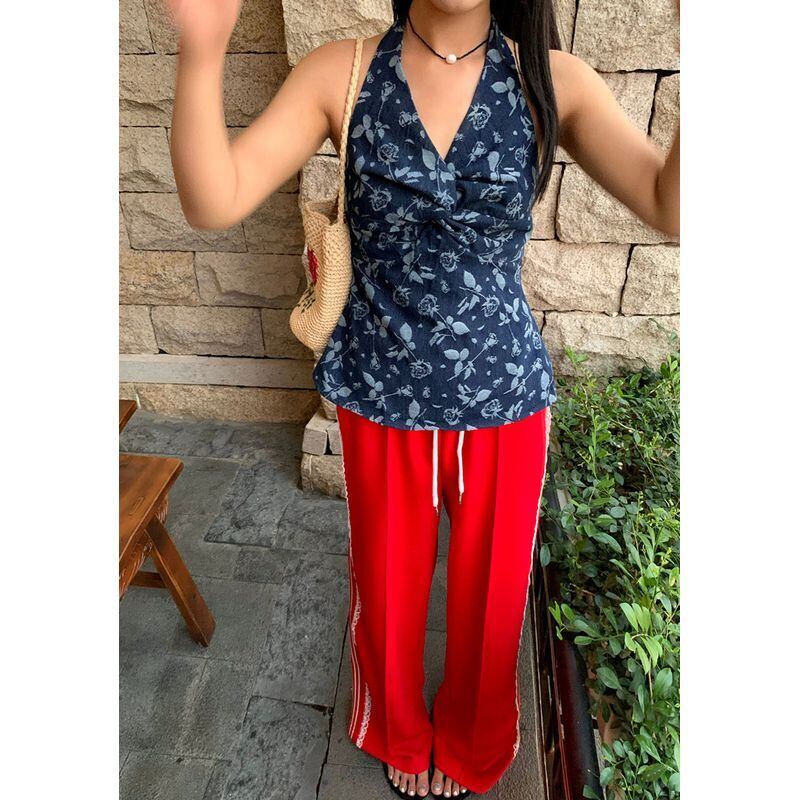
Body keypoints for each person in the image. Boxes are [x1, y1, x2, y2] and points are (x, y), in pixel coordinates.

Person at [167, 0, 680, 796]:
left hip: (505, 395)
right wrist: (202, 50)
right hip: (381, 391)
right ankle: (397, 729)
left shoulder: (554, 81)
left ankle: (476, 740)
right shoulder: (340, 73)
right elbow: (215, 199)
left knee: (495, 602)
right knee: (386, 590)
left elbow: (670, 205)